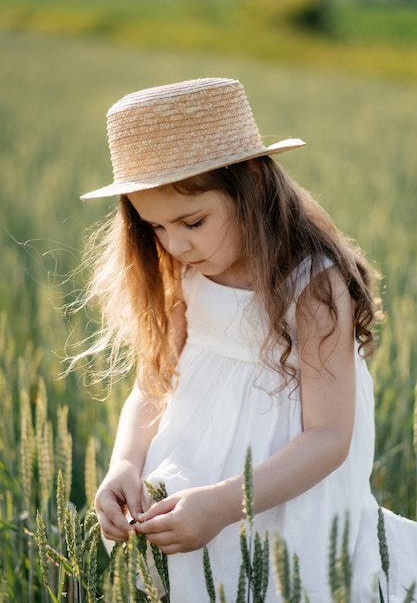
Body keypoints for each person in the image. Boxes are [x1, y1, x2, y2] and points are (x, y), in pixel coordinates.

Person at [77, 78, 417, 602]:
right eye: (156, 227)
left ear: (252, 183)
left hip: (281, 499)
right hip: (191, 493)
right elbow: (153, 386)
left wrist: (221, 506)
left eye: (192, 220)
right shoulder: (183, 273)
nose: (176, 243)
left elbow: (329, 437)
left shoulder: (313, 286)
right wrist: (125, 462)